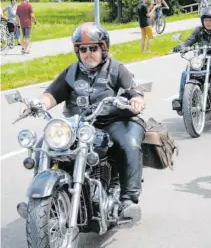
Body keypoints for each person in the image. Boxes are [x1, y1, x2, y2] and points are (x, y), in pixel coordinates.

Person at [21, 23, 146, 221]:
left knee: (129, 145)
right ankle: (40, 202)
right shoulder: (71, 72)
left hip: (111, 121)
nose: (88, 53)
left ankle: (129, 200)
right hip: (77, 124)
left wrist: (136, 99)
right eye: (83, 49)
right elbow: (52, 95)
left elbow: (133, 89)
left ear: (104, 49)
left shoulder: (116, 69)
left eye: (93, 48)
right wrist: (38, 103)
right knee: (42, 146)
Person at [171, 7, 211, 110]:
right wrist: (182, 46)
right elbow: (189, 40)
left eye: (210, 20)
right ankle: (181, 100)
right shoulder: (198, 31)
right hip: (202, 60)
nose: (208, 23)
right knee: (186, 73)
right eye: (205, 20)